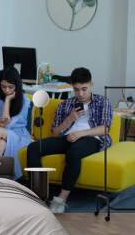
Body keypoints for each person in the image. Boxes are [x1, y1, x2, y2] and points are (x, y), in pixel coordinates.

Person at [27, 67, 113, 213]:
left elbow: (105, 129)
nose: (80, 93)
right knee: (34, 147)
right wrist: (69, 119)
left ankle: (61, 199)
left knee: (74, 152)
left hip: (91, 138)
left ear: (91, 84)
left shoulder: (102, 102)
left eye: (84, 89)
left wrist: (81, 134)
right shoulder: (65, 104)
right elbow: (54, 133)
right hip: (66, 137)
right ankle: (38, 195)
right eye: (76, 89)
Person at [0, 67, 32, 179]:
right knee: (1, 144)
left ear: (17, 86)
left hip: (18, 135)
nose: (7, 90)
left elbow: (7, 125)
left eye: (11, 87)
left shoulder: (24, 100)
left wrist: (7, 101)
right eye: (3, 87)